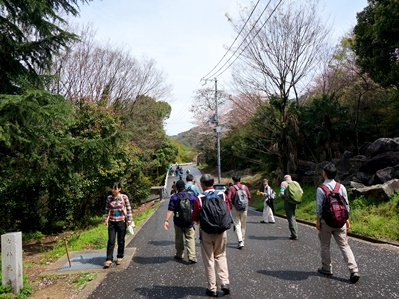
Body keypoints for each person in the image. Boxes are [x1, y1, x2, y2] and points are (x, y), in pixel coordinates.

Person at [316, 163, 360, 283]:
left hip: (326, 223)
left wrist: (318, 221)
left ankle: (327, 268)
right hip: (340, 221)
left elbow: (319, 208)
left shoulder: (321, 189)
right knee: (344, 246)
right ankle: (353, 270)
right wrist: (346, 219)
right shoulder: (341, 187)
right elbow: (346, 205)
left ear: (324, 173)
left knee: (325, 245)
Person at [192, 174, 231, 297]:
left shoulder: (200, 197)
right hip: (221, 231)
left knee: (209, 260)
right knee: (221, 256)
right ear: (213, 183)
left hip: (206, 232)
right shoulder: (222, 195)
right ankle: (224, 282)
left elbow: (195, 216)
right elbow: (227, 211)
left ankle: (212, 288)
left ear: (202, 184)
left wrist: (199, 221)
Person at [164, 180, 197, 263]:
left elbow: (170, 209)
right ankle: (192, 256)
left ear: (177, 188)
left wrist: (166, 220)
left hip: (178, 222)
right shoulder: (191, 196)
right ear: (184, 187)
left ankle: (179, 254)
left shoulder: (174, 197)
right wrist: (197, 219)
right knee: (190, 238)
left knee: (179, 238)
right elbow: (196, 208)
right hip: (189, 221)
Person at [103, 182, 133, 268]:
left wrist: (129, 220)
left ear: (119, 189)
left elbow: (128, 208)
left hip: (121, 221)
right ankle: (109, 259)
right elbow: (106, 209)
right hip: (112, 222)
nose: (113, 190)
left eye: (115, 188)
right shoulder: (109, 198)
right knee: (111, 240)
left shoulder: (124, 197)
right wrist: (105, 219)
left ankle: (120, 256)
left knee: (120, 240)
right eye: (112, 188)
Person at [228, 175, 251, 249]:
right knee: (243, 225)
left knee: (237, 224)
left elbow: (228, 198)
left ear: (233, 180)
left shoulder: (232, 188)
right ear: (240, 179)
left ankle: (240, 241)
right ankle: (243, 240)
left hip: (235, 208)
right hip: (244, 208)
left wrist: (231, 206)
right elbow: (249, 197)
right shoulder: (245, 187)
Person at [279, 174, 303, 240]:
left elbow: (281, 193)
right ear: (290, 178)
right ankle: (295, 232)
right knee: (293, 216)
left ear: (284, 179)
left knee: (290, 217)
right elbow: (301, 192)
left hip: (288, 202)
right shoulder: (296, 183)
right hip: (295, 202)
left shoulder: (284, 183)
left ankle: (294, 234)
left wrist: (284, 197)